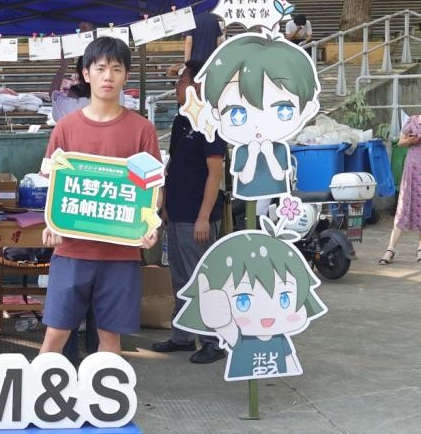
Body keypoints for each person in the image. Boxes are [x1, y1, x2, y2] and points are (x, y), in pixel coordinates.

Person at [39, 37, 160, 356]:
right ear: (86, 73)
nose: (108, 76)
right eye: (101, 68)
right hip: (71, 249)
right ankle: (39, 390)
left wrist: (149, 224)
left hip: (121, 252)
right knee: (54, 336)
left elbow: (152, 191)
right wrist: (51, 223)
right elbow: (53, 184)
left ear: (126, 76)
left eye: (116, 69)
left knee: (110, 340)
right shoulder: (65, 128)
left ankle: (106, 393)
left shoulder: (142, 130)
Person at [174, 228, 327, 381]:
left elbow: (289, 363)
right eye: (243, 301)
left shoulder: (280, 340)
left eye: (284, 299)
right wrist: (216, 315)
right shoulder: (242, 339)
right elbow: (228, 330)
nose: (267, 315)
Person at [152, 60, 228, 364]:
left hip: (198, 216)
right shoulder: (182, 120)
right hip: (177, 212)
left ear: (198, 85)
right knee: (181, 278)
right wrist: (165, 204)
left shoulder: (211, 122)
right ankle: (183, 334)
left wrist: (203, 217)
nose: (176, 86)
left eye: (182, 81)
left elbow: (215, 173)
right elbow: (173, 165)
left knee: (202, 279)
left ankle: (213, 340)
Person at [197, 33, 320, 201]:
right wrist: (253, 154)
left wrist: (269, 153)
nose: (258, 125)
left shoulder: (279, 148)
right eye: (237, 114)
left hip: (276, 197)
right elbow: (244, 178)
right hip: (246, 197)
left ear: (306, 110)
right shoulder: (243, 150)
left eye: (283, 110)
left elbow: (279, 175)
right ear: (216, 113)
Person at [379, 114, 421, 264]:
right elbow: (401, 142)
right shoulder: (413, 120)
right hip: (412, 170)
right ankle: (390, 249)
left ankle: (420, 248)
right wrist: (411, 140)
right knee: (403, 207)